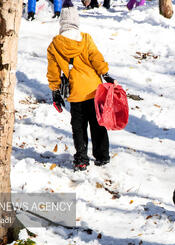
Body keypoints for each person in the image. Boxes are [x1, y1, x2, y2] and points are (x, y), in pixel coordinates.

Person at [46, 2, 117, 171]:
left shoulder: (54, 46)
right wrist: (105, 74)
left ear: (62, 22)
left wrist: (55, 91)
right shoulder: (85, 39)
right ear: (76, 21)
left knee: (78, 127)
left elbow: (53, 72)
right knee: (98, 124)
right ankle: (102, 156)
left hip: (76, 93)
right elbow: (96, 58)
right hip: (94, 91)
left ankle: (81, 158)